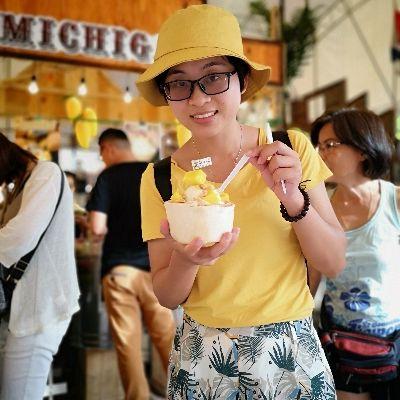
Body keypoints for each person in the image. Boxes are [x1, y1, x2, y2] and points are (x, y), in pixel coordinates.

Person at [136, 4, 347, 399]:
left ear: (243, 80)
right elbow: (166, 296)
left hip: (289, 349)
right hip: (202, 355)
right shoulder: (161, 178)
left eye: (214, 77)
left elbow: (333, 261)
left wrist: (292, 198)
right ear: (167, 94)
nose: (198, 98)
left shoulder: (289, 149)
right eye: (179, 84)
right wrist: (188, 260)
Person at [310, 109, 400, 400]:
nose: (321, 154)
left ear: (362, 149)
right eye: (319, 146)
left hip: (392, 342)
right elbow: (310, 279)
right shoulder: (319, 209)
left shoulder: (395, 202)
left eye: (330, 145)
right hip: (341, 345)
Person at [86, 128, 175, 400]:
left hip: (120, 272)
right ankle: (185, 393)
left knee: (128, 346)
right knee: (168, 342)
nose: (102, 158)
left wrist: (93, 228)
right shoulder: (155, 172)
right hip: (156, 273)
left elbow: (97, 227)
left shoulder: (107, 177)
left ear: (109, 148)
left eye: (102, 152)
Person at [0, 132, 80, 399]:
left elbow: (20, 237)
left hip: (41, 306)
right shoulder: (19, 185)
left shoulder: (46, 174)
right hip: (26, 305)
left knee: (20, 395)